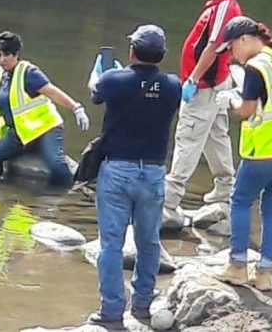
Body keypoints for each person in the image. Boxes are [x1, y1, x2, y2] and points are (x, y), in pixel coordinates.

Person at [86, 25, 181, 329]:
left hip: (117, 170)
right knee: (149, 241)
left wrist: (99, 71)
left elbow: (95, 92)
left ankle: (112, 311)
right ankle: (142, 304)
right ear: (162, 55)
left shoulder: (114, 80)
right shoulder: (173, 85)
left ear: (131, 52)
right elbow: (150, 94)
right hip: (153, 173)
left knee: (111, 244)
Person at [213, 16, 272, 292]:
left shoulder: (255, 68)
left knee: (240, 199)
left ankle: (237, 266)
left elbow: (245, 110)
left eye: (231, 48)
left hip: (268, 148)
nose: (231, 54)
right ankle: (265, 273)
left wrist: (231, 100)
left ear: (244, 40)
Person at [164, 0, 243, 222]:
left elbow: (212, 47)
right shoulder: (216, 6)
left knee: (188, 137)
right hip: (217, 84)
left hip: (206, 87)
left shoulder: (224, 8)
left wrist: (193, 79)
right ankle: (225, 189)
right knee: (215, 135)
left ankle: (170, 198)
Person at [0, 29, 90, 186]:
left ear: (16, 54)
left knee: (56, 165)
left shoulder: (28, 73)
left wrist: (76, 108)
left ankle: (70, 193)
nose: (2, 60)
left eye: (7, 55)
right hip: (20, 134)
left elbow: (52, 92)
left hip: (45, 130)